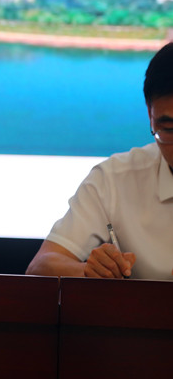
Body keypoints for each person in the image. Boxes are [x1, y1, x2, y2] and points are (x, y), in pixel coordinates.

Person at [26, 42, 173, 280]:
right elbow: (40, 267)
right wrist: (88, 271)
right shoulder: (115, 179)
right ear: (150, 116)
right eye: (168, 129)